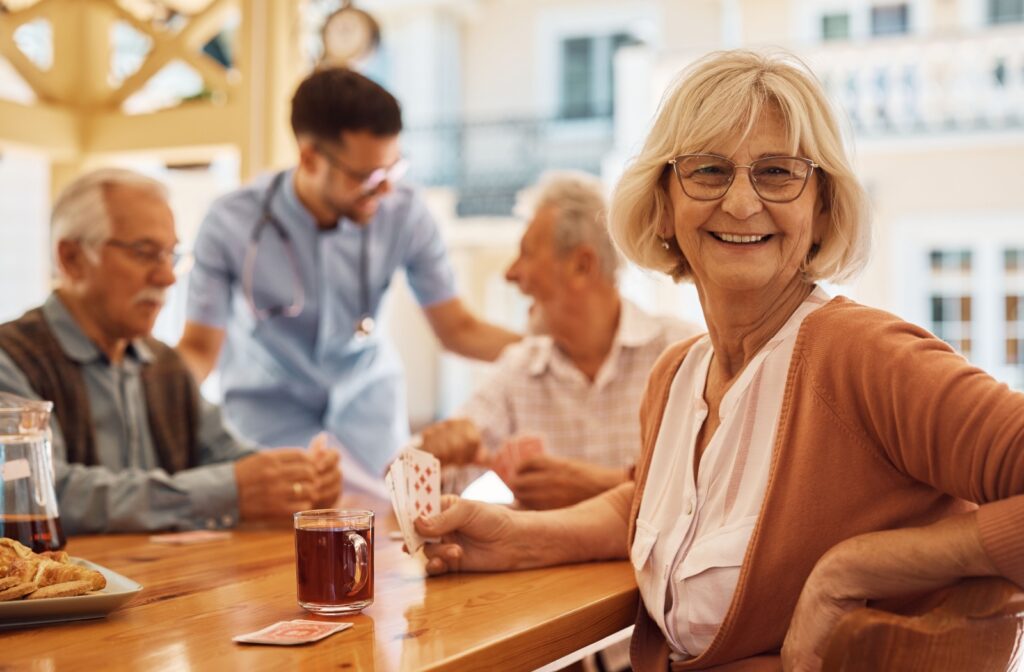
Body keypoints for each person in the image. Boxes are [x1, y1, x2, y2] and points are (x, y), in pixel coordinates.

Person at [410, 50, 1024, 671]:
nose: (739, 203)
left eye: (778, 172)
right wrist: (516, 539)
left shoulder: (862, 356)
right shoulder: (676, 374)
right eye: (708, 170)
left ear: (822, 210)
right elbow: (655, 506)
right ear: (664, 207)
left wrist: (850, 568)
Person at [178, 68, 519, 477]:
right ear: (309, 159)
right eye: (367, 177)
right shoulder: (230, 222)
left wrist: (553, 351)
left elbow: (459, 328)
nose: (385, 190)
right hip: (267, 430)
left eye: (393, 170)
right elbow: (199, 349)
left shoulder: (406, 212)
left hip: (371, 426)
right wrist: (144, 396)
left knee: (386, 537)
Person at [0, 169, 341, 534]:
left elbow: (228, 456)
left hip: (169, 584)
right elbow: (38, 493)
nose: (168, 278)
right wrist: (226, 491)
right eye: (145, 253)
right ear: (71, 259)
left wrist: (296, 480)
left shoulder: (164, 364)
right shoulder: (12, 359)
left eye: (171, 256)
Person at [418, 170, 702, 509]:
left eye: (526, 253)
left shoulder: (682, 355)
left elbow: (709, 489)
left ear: (582, 266)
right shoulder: (519, 367)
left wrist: (595, 486)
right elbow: (420, 486)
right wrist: (432, 456)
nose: (511, 274)